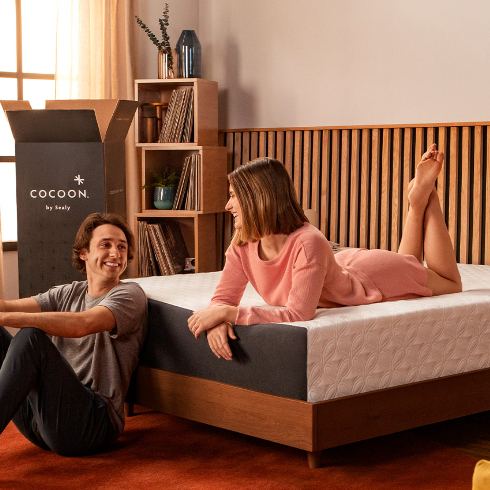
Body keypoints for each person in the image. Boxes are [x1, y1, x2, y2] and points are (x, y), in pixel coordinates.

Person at [188, 145, 462, 360]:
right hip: (339, 264)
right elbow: (223, 299)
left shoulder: (308, 242)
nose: (227, 205)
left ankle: (426, 197)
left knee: (449, 283)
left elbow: (297, 314)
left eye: (234, 196)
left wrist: (229, 314)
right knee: (411, 264)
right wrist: (218, 320)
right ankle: (417, 203)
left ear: (258, 199)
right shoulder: (242, 244)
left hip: (374, 274)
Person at [0, 212, 147, 456]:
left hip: (93, 425)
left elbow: (82, 324)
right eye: (106, 244)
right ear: (83, 253)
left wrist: (5, 318)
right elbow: (7, 306)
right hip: (44, 423)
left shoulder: (130, 295)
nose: (116, 253)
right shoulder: (70, 293)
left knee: (30, 338)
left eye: (122, 246)